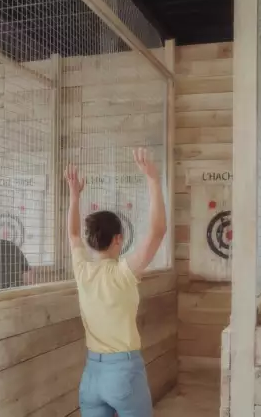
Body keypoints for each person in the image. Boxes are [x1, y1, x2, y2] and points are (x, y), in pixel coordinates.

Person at [64, 148, 167, 417]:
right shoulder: (124, 272)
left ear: (91, 241)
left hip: (91, 375)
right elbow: (157, 232)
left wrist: (74, 196)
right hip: (124, 373)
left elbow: (73, 235)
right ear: (119, 239)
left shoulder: (82, 270)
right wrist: (153, 180)